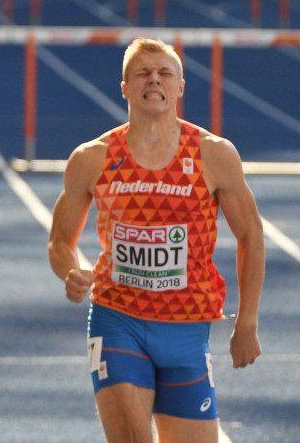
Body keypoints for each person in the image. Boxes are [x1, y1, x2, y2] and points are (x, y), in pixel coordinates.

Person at [47, 38, 264, 443]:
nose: (155, 81)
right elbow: (60, 239)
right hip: (118, 319)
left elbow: (251, 233)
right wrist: (70, 270)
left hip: (188, 327)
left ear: (180, 87)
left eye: (165, 73)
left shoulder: (213, 155)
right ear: (125, 87)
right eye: (143, 73)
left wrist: (247, 321)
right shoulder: (91, 158)